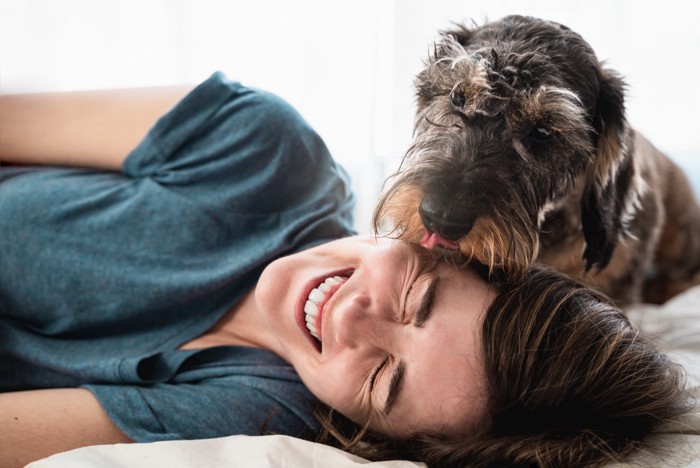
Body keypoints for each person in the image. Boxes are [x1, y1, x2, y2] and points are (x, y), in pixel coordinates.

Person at [0, 72, 691, 467]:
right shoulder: (261, 150)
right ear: (438, 244)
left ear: (381, 434)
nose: (355, 320)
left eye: (387, 379)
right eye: (417, 298)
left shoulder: (255, 413)